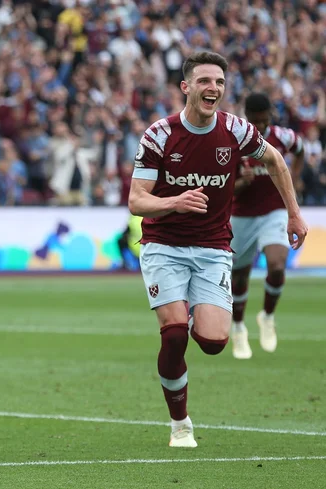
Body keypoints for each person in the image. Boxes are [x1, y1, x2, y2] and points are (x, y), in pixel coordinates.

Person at [127, 52, 307, 448]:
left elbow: (276, 159)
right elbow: (137, 201)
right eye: (205, 81)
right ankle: (180, 424)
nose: (214, 89)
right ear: (186, 87)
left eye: (220, 83)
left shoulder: (236, 131)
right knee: (174, 336)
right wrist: (174, 201)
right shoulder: (159, 134)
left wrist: (294, 213)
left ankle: (195, 310)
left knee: (212, 342)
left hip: (212, 248)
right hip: (164, 246)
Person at [228, 93, 305, 360]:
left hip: (274, 211)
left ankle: (267, 316)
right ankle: (238, 326)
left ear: (270, 116)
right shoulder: (234, 140)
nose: (259, 126)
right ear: (246, 116)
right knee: (238, 275)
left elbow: (301, 150)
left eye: (264, 121)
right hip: (242, 215)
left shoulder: (283, 137)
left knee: (276, 264)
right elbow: (224, 188)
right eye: (255, 121)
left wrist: (293, 175)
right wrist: (241, 182)